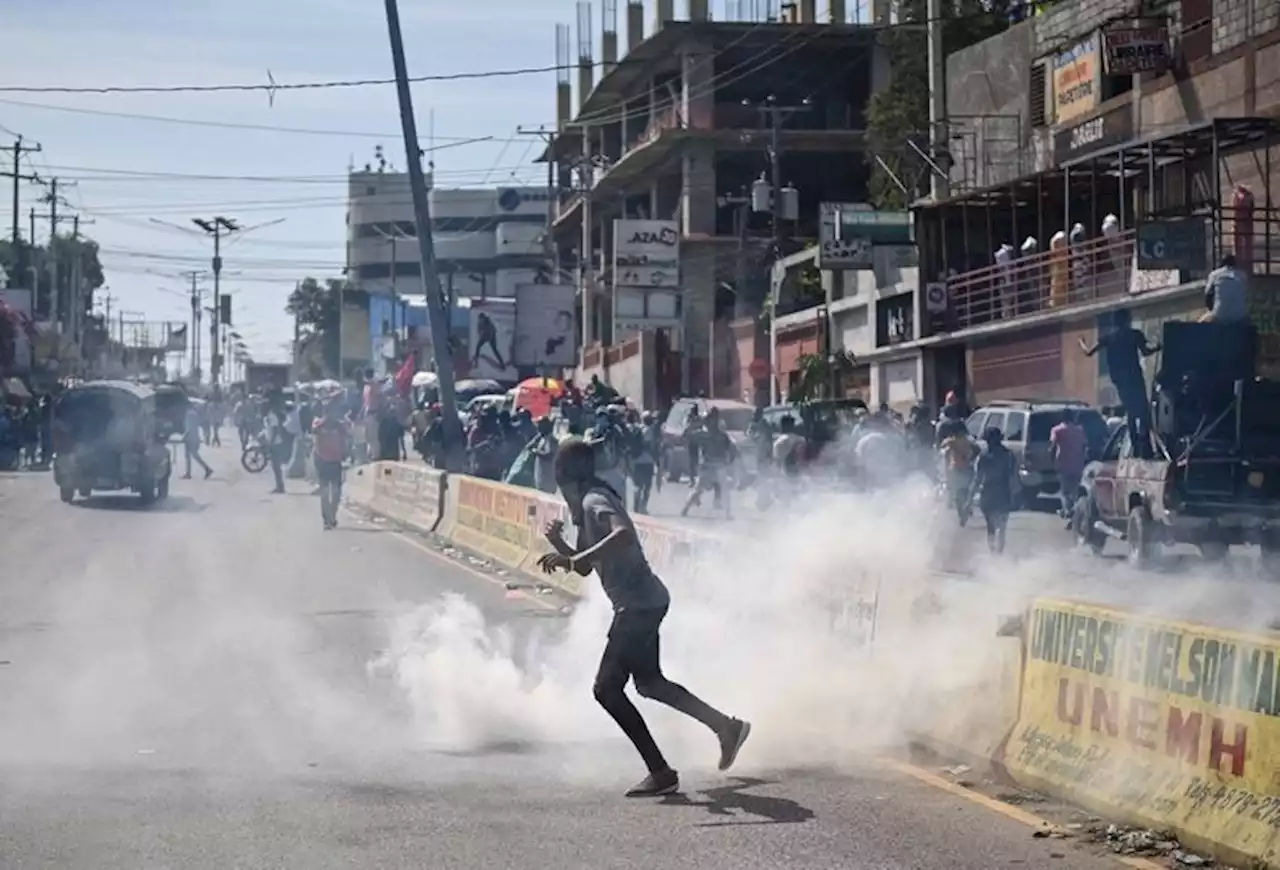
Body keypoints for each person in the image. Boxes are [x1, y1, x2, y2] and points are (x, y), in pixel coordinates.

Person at [536, 438, 751, 797]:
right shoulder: (587, 505)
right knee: (650, 684)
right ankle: (726, 728)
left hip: (638, 606)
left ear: (563, 475)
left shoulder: (594, 501)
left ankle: (661, 772)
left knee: (606, 690)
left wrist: (574, 557)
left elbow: (623, 535)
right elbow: (589, 568)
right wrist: (564, 549)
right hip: (645, 602)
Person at [1080, 308, 1160, 457]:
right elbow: (1146, 351)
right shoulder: (1135, 335)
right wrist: (1158, 347)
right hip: (1135, 378)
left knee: (1130, 411)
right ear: (1128, 320)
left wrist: (1082, 343)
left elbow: (1088, 352)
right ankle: (1144, 445)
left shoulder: (1109, 338)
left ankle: (1136, 444)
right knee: (1142, 411)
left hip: (1120, 381)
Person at [973, 426, 1018, 554]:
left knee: (991, 527)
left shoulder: (983, 457)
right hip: (1002, 493)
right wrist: (1015, 494)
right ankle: (997, 552)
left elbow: (977, 479)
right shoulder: (1008, 455)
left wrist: (969, 497)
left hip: (988, 494)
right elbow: (1013, 477)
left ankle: (993, 552)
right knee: (1001, 526)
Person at [312, 399, 350, 530]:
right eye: (328, 412)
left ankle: (332, 516)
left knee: (336, 492)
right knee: (324, 492)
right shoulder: (318, 424)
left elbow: (345, 439)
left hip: (336, 461)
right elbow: (315, 435)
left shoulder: (340, 426)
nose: (331, 415)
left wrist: (346, 452)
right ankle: (326, 519)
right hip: (322, 461)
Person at [1049, 409, 1088, 527]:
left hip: (1063, 464)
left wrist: (1051, 461)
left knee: (1065, 492)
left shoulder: (1057, 430)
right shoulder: (1079, 430)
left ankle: (1069, 512)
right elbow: (1084, 446)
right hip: (1077, 464)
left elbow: (1052, 447)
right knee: (1075, 491)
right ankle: (1073, 512)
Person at [1200, 254, 1248, 323]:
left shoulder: (1214, 274)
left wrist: (1212, 311)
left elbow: (1208, 295)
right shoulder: (1242, 275)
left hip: (1219, 315)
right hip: (1239, 315)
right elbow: (1245, 295)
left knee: (1201, 322)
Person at [181, 403, 213, 480]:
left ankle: (206, 469)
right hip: (195, 436)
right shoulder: (195, 414)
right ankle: (189, 472)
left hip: (190, 437)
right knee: (191, 455)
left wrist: (185, 436)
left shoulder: (188, 415)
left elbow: (189, 427)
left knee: (192, 455)